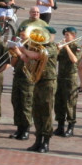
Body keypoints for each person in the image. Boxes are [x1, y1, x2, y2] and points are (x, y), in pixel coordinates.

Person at [24, 25, 58, 153]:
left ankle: (46, 141)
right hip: (38, 81)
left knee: (46, 111)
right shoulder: (39, 47)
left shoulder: (52, 47)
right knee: (36, 111)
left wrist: (23, 49)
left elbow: (37, 56)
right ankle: (38, 139)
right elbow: (30, 59)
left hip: (48, 82)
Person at [8, 26, 36, 141]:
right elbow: (13, 64)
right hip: (18, 77)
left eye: (23, 35)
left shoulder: (33, 47)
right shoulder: (21, 46)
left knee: (26, 104)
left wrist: (19, 52)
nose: (21, 37)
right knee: (16, 102)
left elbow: (30, 62)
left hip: (27, 79)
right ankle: (19, 128)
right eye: (20, 35)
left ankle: (26, 129)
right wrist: (14, 54)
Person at [54, 26, 80, 138]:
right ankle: (60, 126)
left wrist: (67, 47)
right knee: (59, 102)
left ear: (74, 36)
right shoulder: (63, 46)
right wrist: (58, 49)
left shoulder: (77, 47)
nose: (65, 37)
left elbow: (74, 60)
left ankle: (71, 127)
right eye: (65, 35)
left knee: (70, 103)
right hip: (60, 77)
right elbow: (55, 59)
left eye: (68, 35)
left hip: (71, 78)